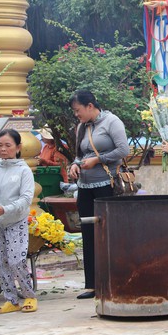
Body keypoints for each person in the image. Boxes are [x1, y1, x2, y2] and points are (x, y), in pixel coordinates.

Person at [68, 90, 130, 300]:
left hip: (106, 184)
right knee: (88, 233)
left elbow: (123, 150)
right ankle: (92, 284)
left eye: (78, 110)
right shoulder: (81, 127)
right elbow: (79, 155)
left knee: (108, 234)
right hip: (85, 186)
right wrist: (75, 166)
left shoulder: (112, 122)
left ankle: (113, 280)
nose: (77, 115)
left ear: (90, 106)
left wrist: (98, 159)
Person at [0, 130, 37, 314]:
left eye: (8, 145)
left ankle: (29, 296)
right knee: (2, 262)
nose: (3, 149)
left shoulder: (23, 170)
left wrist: (6, 209)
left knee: (16, 260)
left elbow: (26, 199)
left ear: (18, 148)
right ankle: (11, 299)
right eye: (0, 145)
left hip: (16, 222)